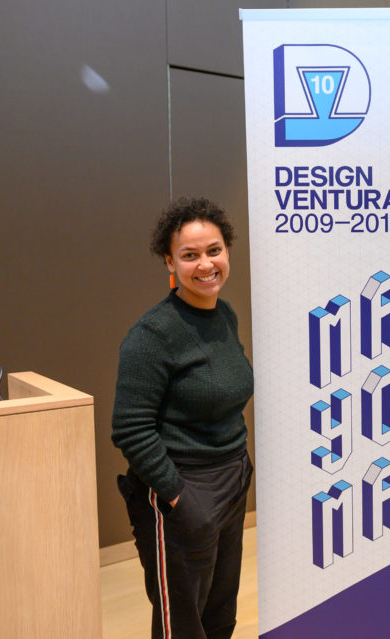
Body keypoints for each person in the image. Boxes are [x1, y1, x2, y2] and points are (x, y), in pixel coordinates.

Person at [112, 197, 255, 639]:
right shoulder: (153, 334)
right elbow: (130, 429)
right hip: (182, 489)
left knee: (220, 616)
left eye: (214, 250)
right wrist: (177, 496)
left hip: (231, 481)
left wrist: (240, 472)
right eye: (190, 255)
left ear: (227, 251)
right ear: (169, 261)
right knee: (184, 624)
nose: (206, 264)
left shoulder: (224, 315)